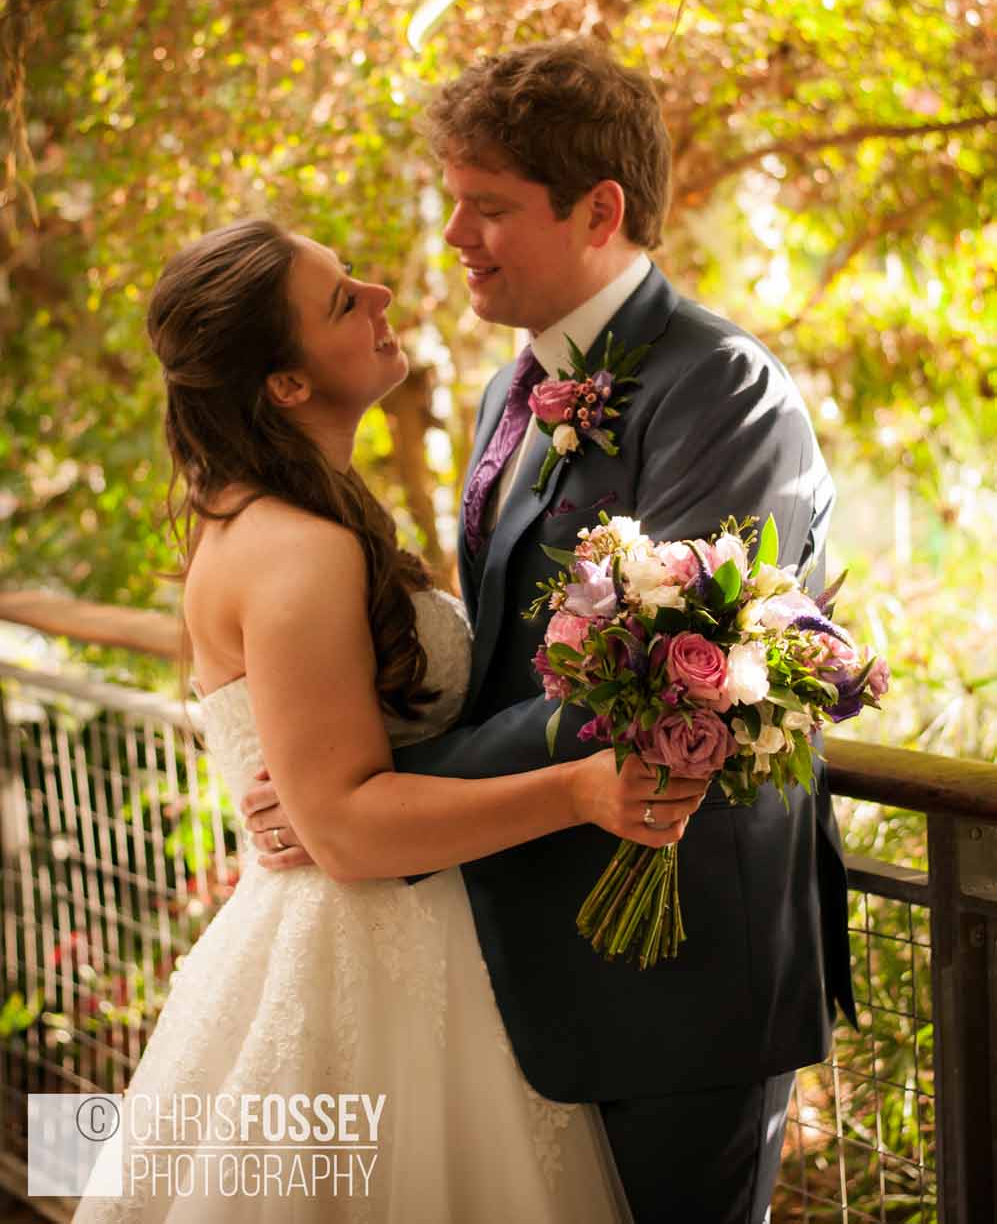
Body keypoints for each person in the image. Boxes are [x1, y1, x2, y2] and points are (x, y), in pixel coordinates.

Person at [245, 39, 856, 1224]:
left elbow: (661, 686)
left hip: (686, 965)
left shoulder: (723, 390)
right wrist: (348, 776)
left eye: (488, 206)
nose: (454, 235)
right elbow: (508, 657)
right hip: (531, 942)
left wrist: (373, 795)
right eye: (453, 201)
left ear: (599, 212)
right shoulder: (507, 391)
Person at [74, 216, 711, 1223]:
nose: (377, 295)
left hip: (386, 933)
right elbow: (346, 830)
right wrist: (581, 790)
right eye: (341, 300)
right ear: (286, 383)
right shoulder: (295, 547)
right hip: (361, 960)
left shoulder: (277, 514)